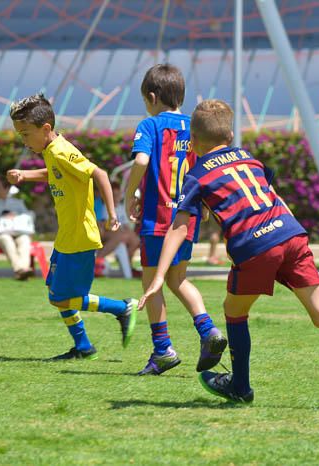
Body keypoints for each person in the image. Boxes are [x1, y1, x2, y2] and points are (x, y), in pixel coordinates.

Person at [140, 99, 319, 404]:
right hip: (291, 234)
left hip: (255, 244)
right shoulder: (248, 158)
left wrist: (157, 278)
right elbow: (270, 196)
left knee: (234, 312)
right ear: (230, 137)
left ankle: (240, 387)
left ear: (192, 142)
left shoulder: (196, 174)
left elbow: (179, 227)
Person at [7, 94, 138, 360]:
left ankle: (122, 308)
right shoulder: (52, 151)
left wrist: (112, 214)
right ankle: (83, 347)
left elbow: (99, 173)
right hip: (67, 236)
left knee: (62, 298)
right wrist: (25, 175)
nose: (24, 141)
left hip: (80, 237)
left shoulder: (62, 150)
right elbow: (53, 172)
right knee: (56, 291)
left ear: (45, 129)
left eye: (25, 134)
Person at [124, 64, 227, 375]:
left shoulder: (150, 125)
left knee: (150, 281)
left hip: (158, 218)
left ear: (152, 97)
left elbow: (142, 160)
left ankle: (163, 349)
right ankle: (208, 331)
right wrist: (207, 206)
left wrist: (130, 194)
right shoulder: (194, 127)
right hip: (187, 217)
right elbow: (204, 168)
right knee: (177, 279)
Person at [0, 177, 34, 280]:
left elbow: (28, 219)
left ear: (7, 189)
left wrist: (16, 217)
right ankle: (21, 269)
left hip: (19, 232)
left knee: (25, 239)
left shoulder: (18, 203)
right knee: (5, 238)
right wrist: (3, 218)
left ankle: (21, 270)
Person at [94, 181, 140, 278]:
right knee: (120, 235)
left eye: (118, 195)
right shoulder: (104, 207)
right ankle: (98, 260)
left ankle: (128, 266)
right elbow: (104, 225)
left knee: (134, 239)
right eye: (114, 195)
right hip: (109, 234)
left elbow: (126, 226)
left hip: (119, 234)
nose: (116, 198)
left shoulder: (120, 208)